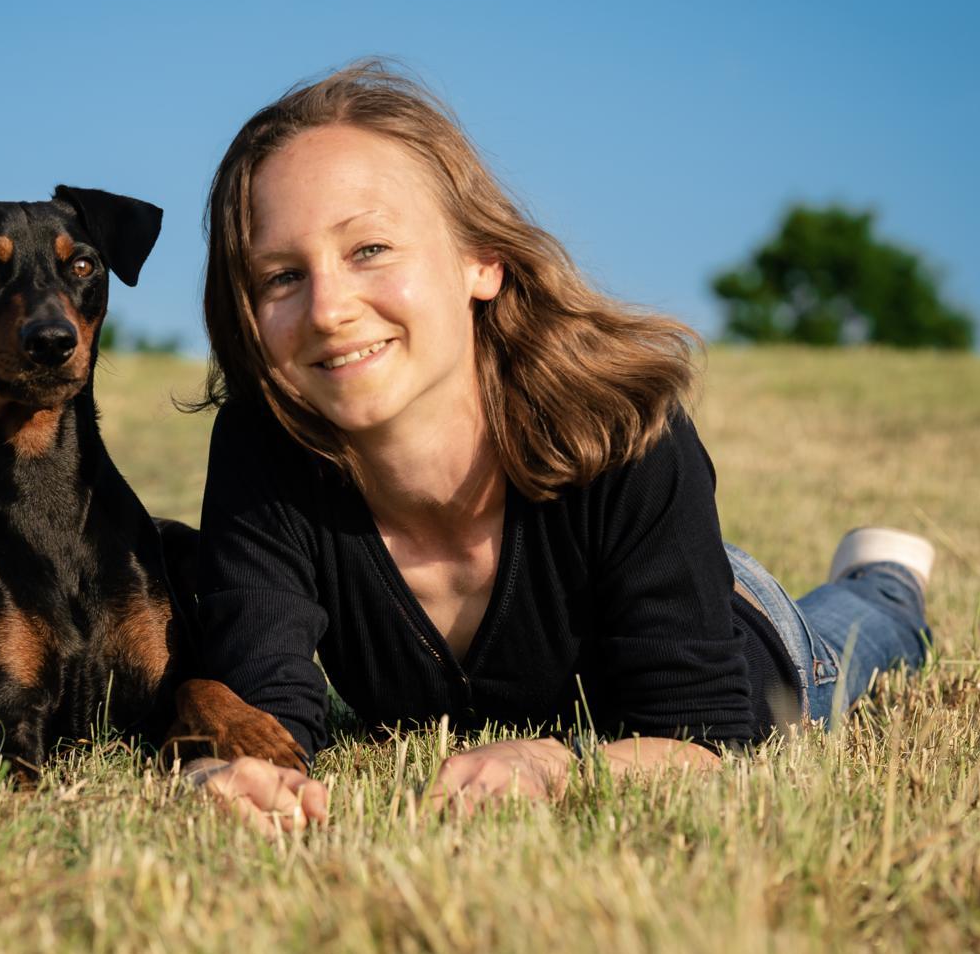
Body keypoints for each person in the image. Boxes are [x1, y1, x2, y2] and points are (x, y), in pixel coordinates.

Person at [182, 62, 933, 831]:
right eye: (281, 275)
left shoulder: (624, 432)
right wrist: (249, 775)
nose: (330, 307)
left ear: (481, 259)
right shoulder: (261, 450)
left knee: (849, 643)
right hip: (650, 580)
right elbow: (264, 695)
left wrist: (559, 763)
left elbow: (706, 739)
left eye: (369, 249)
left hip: (741, 630)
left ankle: (884, 583)